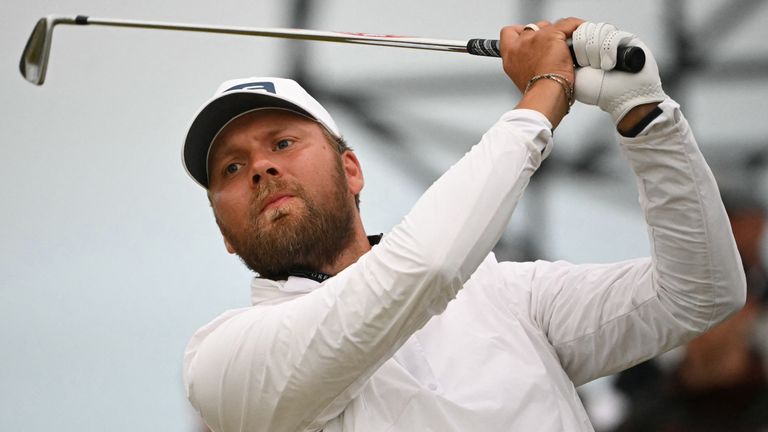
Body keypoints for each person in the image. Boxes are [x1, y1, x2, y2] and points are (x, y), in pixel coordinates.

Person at [181, 18, 746, 432]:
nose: (261, 168)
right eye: (232, 167)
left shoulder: (502, 292)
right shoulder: (220, 362)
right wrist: (545, 92)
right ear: (224, 234)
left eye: (282, 143)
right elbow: (425, 268)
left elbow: (700, 292)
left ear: (351, 171)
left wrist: (645, 116)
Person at [611, 197, 768, 432]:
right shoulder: (645, 412)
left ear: (749, 308)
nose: (696, 315)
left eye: (713, 303)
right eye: (685, 301)